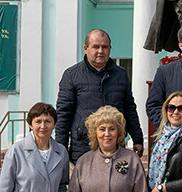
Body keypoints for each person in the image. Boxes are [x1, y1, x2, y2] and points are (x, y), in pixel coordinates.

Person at [56, 29, 144, 164]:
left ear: (110, 48)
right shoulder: (71, 75)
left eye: (105, 47)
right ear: (86, 48)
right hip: (83, 146)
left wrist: (137, 139)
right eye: (96, 47)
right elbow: (63, 114)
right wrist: (60, 148)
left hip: (115, 144)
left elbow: (129, 108)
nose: (100, 51)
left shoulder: (120, 74)